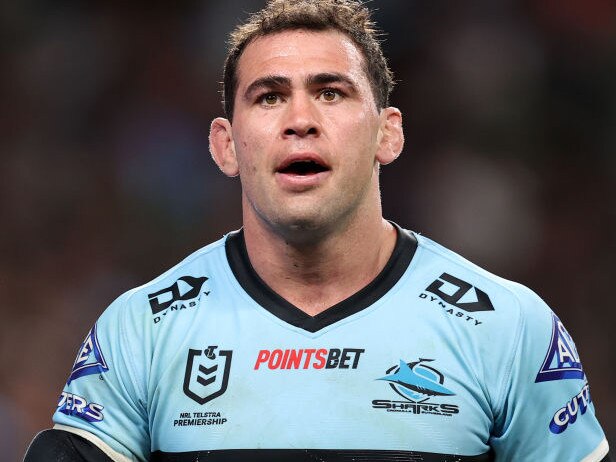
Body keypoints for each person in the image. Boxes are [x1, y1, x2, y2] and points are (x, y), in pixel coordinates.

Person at [24, 0, 610, 461]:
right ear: (226, 146)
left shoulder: (507, 328)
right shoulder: (142, 331)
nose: (301, 121)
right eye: (269, 96)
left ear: (388, 133)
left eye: (331, 92)